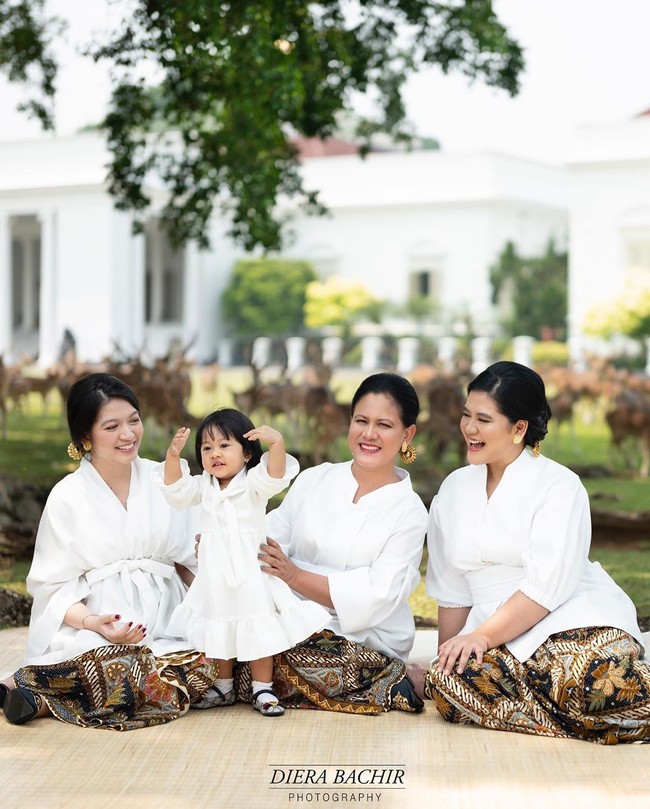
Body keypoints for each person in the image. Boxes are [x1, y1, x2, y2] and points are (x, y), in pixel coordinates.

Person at [424, 360, 650, 744]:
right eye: (466, 416)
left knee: (592, 680)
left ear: (518, 428)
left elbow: (547, 587)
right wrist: (449, 654)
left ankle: (589, 709)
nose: (469, 429)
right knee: (449, 687)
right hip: (493, 629)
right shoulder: (454, 488)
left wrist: (479, 638)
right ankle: (585, 723)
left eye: (483, 419)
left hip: (570, 615)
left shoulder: (560, 485)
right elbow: (452, 588)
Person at [0, 373, 223, 730]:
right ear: (85, 436)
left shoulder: (167, 479)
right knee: (110, 661)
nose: (128, 435)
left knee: (217, 660)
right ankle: (36, 690)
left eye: (134, 420)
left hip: (171, 617)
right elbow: (52, 589)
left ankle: (37, 697)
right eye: (112, 426)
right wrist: (96, 623)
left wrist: (213, 605)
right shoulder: (67, 497)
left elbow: (191, 562)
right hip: (103, 622)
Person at [254, 372, 428, 714]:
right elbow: (267, 542)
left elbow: (375, 596)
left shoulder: (410, 511)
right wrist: (224, 547)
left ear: (407, 434)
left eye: (384, 425)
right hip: (289, 618)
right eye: (361, 420)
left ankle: (389, 677)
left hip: (361, 638)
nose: (369, 434)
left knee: (276, 655)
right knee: (232, 638)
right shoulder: (313, 479)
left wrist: (294, 576)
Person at [155, 409, 329, 716]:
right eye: (206, 448)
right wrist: (172, 456)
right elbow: (175, 491)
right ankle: (224, 685)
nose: (215, 454)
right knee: (219, 623)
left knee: (257, 622)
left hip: (251, 571)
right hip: (216, 574)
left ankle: (262, 687)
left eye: (224, 445)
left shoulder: (252, 484)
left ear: (246, 453)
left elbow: (275, 475)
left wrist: (277, 444)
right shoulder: (203, 486)